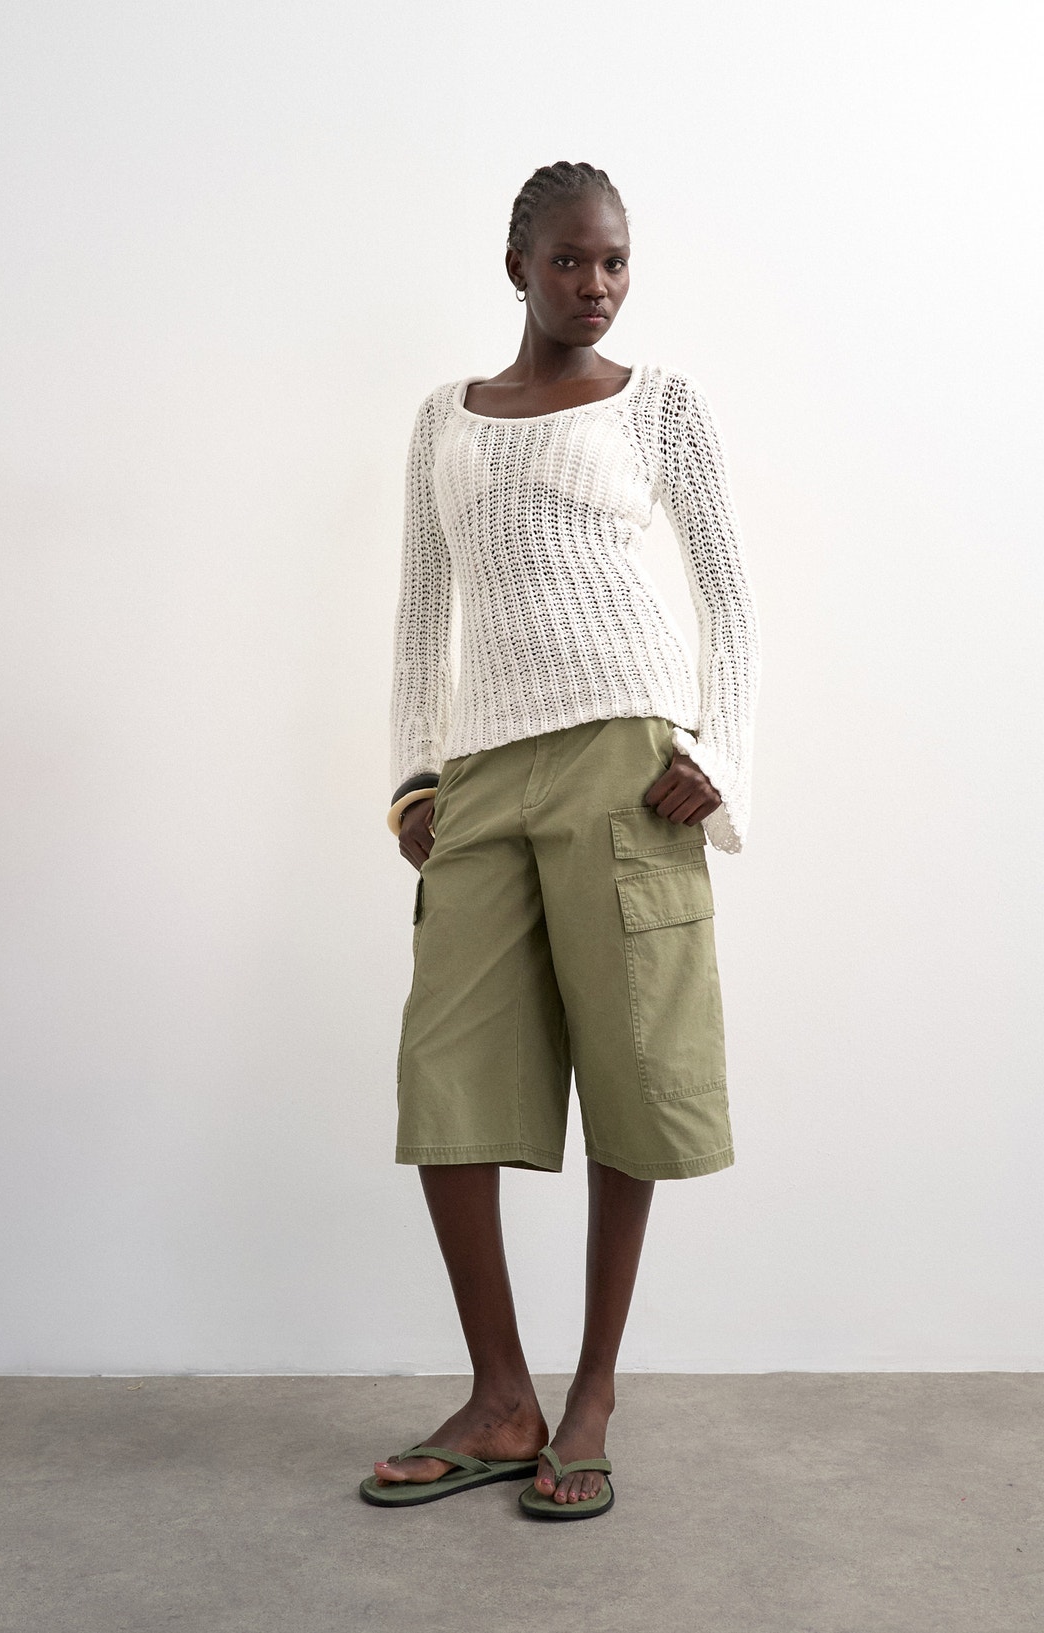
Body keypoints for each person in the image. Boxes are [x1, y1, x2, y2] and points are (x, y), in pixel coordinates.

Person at [362, 161, 760, 1521]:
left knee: (632, 1066)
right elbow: (423, 610)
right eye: (571, 261)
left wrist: (718, 755)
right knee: (449, 1071)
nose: (597, 286)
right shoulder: (446, 419)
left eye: (616, 262)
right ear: (518, 264)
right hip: (482, 774)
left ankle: (590, 1395)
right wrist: (414, 778)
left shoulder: (663, 405)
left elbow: (730, 597)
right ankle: (500, 1396)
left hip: (625, 767)